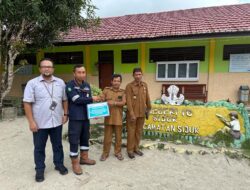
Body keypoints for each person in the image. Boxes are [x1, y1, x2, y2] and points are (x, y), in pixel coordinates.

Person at [23, 58, 68, 182]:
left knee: (58, 145)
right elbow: (27, 103)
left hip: (57, 121)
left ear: (53, 69)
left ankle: (59, 164)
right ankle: (40, 169)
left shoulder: (60, 83)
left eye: (49, 66)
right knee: (39, 147)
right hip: (40, 123)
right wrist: (31, 121)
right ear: (40, 69)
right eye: (44, 66)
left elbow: (64, 99)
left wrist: (65, 113)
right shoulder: (32, 83)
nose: (47, 68)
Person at [66, 65, 100, 175]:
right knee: (74, 140)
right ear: (74, 73)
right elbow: (76, 100)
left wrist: (94, 112)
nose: (82, 74)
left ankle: (84, 158)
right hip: (75, 118)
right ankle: (75, 163)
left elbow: (88, 102)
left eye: (83, 72)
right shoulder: (70, 85)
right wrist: (92, 98)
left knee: (85, 138)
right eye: (79, 72)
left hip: (85, 117)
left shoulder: (86, 85)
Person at [125, 68, 151, 159]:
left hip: (142, 113)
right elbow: (128, 100)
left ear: (142, 75)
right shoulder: (129, 86)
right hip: (133, 114)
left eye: (140, 74)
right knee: (131, 132)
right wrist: (131, 113)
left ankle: (136, 148)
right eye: (136, 74)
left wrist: (149, 108)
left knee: (139, 132)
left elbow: (147, 97)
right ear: (133, 75)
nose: (138, 76)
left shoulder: (145, 85)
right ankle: (130, 150)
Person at [100, 74, 126, 161]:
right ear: (111, 81)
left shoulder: (123, 92)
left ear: (120, 82)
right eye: (115, 81)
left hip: (118, 118)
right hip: (108, 117)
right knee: (107, 137)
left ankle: (118, 152)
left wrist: (114, 103)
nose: (116, 83)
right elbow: (101, 99)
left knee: (118, 137)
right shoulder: (106, 90)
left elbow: (123, 102)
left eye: (118, 81)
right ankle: (105, 153)